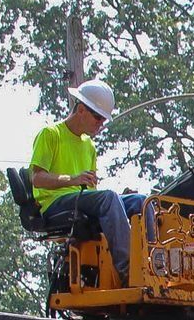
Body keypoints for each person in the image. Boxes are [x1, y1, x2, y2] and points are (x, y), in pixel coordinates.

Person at [29, 79, 144, 280]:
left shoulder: (89, 146)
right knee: (108, 198)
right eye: (98, 118)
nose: (101, 124)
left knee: (141, 201)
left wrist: (119, 200)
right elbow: (36, 178)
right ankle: (130, 270)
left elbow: (91, 192)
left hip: (80, 200)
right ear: (81, 109)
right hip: (55, 203)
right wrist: (72, 179)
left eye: (103, 120)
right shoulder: (50, 134)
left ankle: (152, 263)